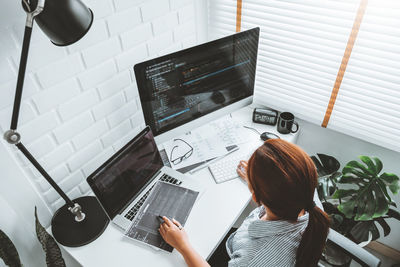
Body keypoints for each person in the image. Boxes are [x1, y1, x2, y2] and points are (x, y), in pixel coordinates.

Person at [159, 139, 330, 267]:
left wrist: (182, 245)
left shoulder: (253, 258)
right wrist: (259, 179)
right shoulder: (308, 196)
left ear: (255, 196)